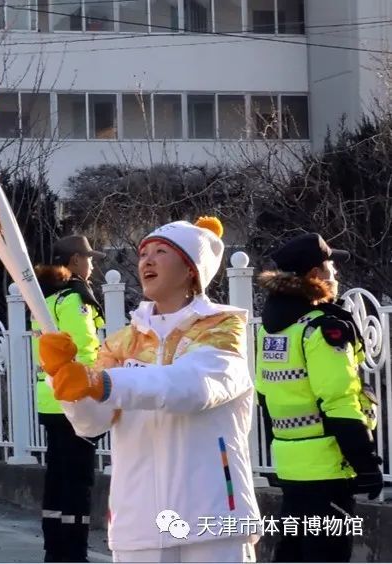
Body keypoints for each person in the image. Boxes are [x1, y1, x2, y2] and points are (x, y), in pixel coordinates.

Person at [38, 217, 260, 563]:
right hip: (138, 523)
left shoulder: (223, 328)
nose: (147, 260)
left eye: (161, 252)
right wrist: (65, 380)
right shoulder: (123, 341)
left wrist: (102, 382)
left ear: (191, 269)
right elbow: (92, 422)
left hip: (212, 516)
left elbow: (194, 388)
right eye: (143, 253)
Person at [255, 233, 382, 563]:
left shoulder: (272, 330)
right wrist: (365, 462)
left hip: (291, 464)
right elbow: (339, 399)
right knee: (326, 554)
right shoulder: (322, 329)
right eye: (330, 267)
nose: (336, 274)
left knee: (295, 553)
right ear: (314, 275)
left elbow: (266, 396)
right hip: (328, 465)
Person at [32, 235, 106, 563]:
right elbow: (85, 348)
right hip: (74, 400)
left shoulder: (46, 298)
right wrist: (100, 386)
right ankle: (74, 552)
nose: (93, 264)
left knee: (57, 476)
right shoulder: (74, 298)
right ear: (75, 261)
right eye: (89, 258)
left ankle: (55, 549)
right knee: (79, 479)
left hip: (48, 398)